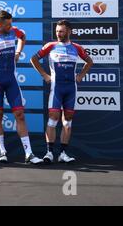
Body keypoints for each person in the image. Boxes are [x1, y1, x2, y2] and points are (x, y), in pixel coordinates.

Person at [0, 10, 43, 164]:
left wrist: (18, 52)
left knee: (20, 114)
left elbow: (23, 36)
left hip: (11, 79)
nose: (11, 26)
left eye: (11, 23)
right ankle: (2, 152)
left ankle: (29, 153)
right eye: (7, 24)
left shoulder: (14, 31)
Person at [30, 19, 93, 163]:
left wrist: (81, 75)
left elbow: (90, 61)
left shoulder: (77, 47)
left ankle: (63, 153)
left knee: (68, 120)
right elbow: (33, 59)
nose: (59, 34)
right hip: (56, 88)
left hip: (71, 88)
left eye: (62, 31)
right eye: (57, 31)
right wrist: (45, 75)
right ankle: (49, 153)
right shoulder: (50, 46)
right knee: (53, 117)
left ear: (69, 32)